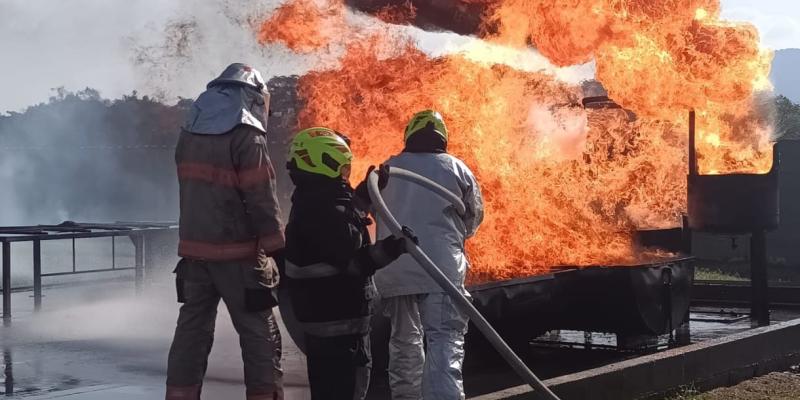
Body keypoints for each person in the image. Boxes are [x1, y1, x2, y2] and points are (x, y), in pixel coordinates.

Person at [166, 63, 285, 400]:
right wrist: (278, 248)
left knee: (191, 332)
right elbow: (261, 196)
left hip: (194, 255)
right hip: (240, 257)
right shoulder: (246, 133)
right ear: (252, 96)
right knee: (259, 333)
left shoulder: (189, 130)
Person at [283, 127, 410, 400]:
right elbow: (353, 262)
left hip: (323, 324)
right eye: (342, 166)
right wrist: (393, 248)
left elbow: (345, 220)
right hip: (340, 328)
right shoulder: (325, 212)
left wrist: (365, 194)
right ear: (325, 162)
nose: (345, 172)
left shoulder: (313, 201)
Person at [374, 110, 484, 400]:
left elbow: (375, 211)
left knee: (403, 341)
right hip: (440, 270)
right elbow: (473, 219)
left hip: (393, 267)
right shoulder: (456, 168)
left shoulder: (387, 168)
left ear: (409, 136)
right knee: (444, 341)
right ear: (443, 138)